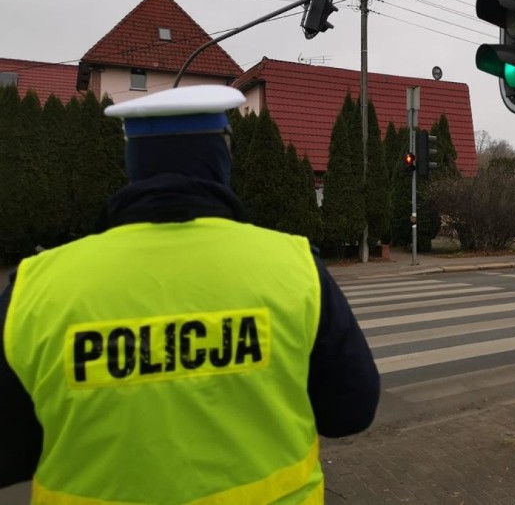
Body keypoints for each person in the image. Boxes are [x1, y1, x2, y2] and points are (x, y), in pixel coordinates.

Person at [0, 85, 380, 504]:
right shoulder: (295, 268)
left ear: (133, 161)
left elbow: (9, 454)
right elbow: (351, 412)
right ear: (222, 156)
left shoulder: (37, 286)